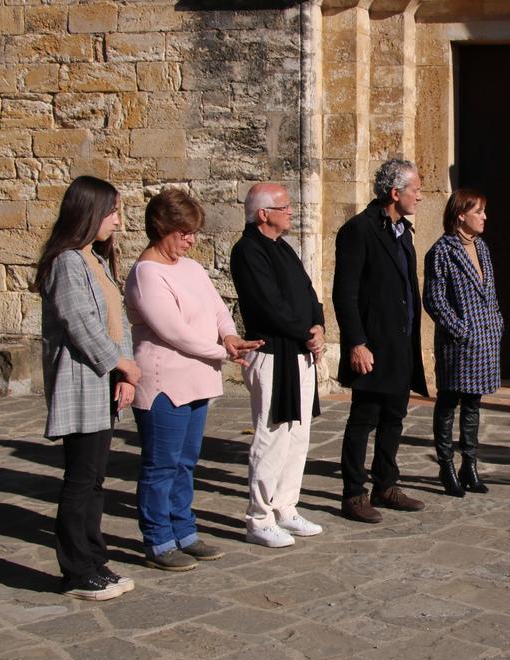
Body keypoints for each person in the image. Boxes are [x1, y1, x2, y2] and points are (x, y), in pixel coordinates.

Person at [125, 189, 262, 570]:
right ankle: (157, 539)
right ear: (161, 228)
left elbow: (217, 307)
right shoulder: (146, 273)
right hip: (164, 382)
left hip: (197, 379)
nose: (190, 240)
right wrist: (225, 352)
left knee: (186, 461)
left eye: (193, 233)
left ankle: (184, 531)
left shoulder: (191, 267)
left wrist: (229, 334)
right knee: (161, 464)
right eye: (183, 232)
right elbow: (174, 332)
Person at [35, 176, 141, 601]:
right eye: (112, 211)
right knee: (80, 479)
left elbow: (117, 320)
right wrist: (122, 366)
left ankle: (94, 558)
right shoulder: (65, 262)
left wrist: (124, 374)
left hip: (103, 382)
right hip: (81, 383)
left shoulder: (93, 259)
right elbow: (80, 324)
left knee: (95, 478)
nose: (117, 220)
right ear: (90, 212)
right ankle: (76, 570)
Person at [333, 158, 429, 523]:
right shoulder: (359, 230)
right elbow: (346, 292)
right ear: (394, 192)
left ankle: (386, 485)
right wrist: (356, 342)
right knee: (364, 418)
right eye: (415, 190)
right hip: (372, 345)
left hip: (400, 344)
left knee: (395, 417)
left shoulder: (404, 232)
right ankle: (354, 493)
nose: (419, 197)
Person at [230, 183, 326, 548]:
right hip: (272, 353)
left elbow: (308, 293)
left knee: (297, 434)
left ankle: (286, 506)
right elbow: (268, 305)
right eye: (284, 206)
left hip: (298, 351)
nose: (291, 211)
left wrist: (317, 325)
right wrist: (305, 332)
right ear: (263, 214)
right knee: (271, 435)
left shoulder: (282, 248)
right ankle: (259, 517)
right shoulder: (248, 251)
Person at [423, 189, 504, 497]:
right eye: (478, 211)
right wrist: (460, 329)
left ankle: (469, 465)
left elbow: (490, 291)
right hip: (458, 342)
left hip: (485, 339)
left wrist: (497, 322)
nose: (484, 217)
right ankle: (446, 466)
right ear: (461, 215)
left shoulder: (482, 248)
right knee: (448, 402)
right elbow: (434, 298)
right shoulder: (442, 251)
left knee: (473, 403)